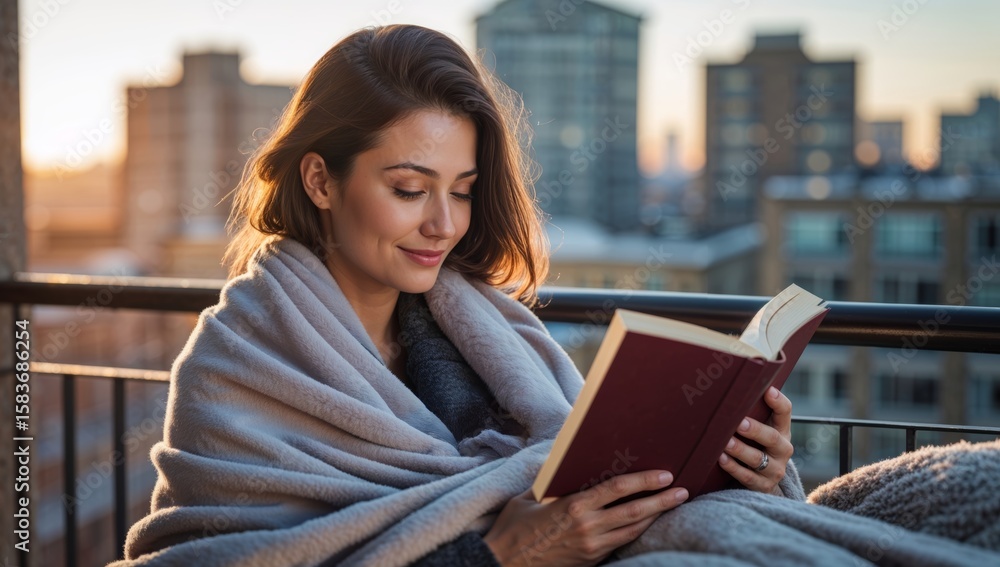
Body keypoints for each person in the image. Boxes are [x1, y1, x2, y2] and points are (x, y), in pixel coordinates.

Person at [115, 24, 799, 567]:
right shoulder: (231, 367)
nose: (444, 224)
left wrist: (740, 469)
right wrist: (496, 554)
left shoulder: (500, 334)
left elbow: (585, 487)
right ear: (321, 181)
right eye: (409, 190)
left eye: (463, 191)